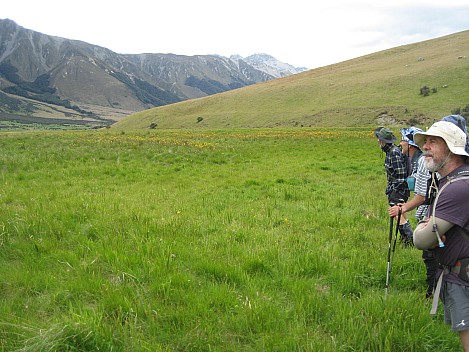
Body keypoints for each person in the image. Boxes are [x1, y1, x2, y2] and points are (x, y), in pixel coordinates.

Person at [413, 120, 469, 351]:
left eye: (433, 141)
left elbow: (421, 240)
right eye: (425, 141)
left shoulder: (457, 187)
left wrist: (421, 229)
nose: (425, 146)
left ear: (452, 148)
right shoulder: (452, 180)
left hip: (463, 279)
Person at [388, 127, 436, 296]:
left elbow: (422, 195)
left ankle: (433, 293)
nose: (400, 143)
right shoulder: (411, 160)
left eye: (403, 139)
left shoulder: (423, 161)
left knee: (431, 255)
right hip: (432, 212)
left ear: (410, 144)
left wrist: (403, 208)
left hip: (430, 214)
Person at [375, 127, 410, 241]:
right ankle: (405, 238)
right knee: (400, 214)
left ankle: (409, 238)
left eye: (379, 139)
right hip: (394, 189)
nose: (378, 141)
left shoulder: (394, 153)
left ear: (383, 141)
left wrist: (395, 191)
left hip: (398, 190)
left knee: (397, 214)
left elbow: (401, 175)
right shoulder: (390, 152)